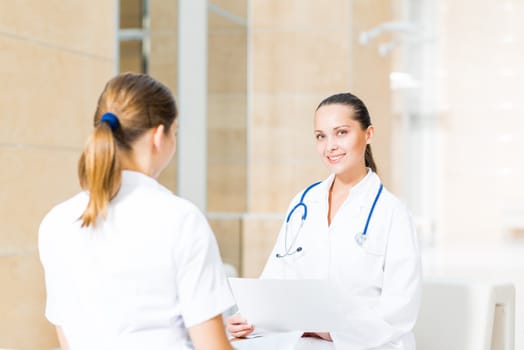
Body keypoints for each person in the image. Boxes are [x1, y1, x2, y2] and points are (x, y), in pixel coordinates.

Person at [38, 73, 235, 350]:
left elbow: (67, 340)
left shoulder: (56, 222)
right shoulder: (180, 219)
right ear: (158, 136)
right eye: (174, 132)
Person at [227, 92, 422, 349]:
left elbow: (400, 310)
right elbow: (276, 281)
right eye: (321, 136)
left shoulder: (392, 213)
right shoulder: (304, 203)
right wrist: (252, 319)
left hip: (369, 344)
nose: (329, 146)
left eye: (341, 132)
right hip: (305, 341)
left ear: (369, 134)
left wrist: (332, 330)